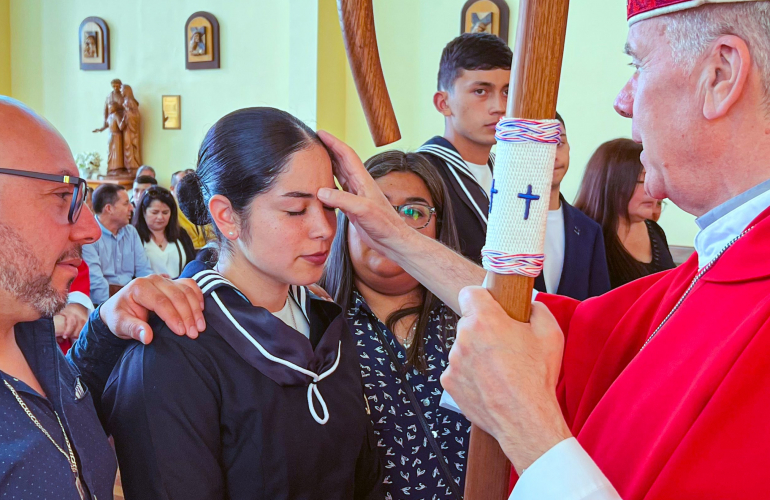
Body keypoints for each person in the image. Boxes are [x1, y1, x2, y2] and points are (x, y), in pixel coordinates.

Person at [314, 0, 770, 498]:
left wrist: (523, 422)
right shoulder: (721, 260)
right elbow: (552, 330)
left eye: (637, 64)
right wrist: (397, 237)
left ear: (721, 74)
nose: (623, 100)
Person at [102, 107, 383, 500]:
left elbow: (363, 476)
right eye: (296, 210)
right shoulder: (173, 352)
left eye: (329, 207)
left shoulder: (326, 321)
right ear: (226, 216)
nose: (324, 230)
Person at [0, 93, 206, 499]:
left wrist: (103, 326)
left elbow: (59, 418)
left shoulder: (30, 328)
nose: (90, 229)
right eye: (63, 196)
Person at [322, 151, 470, 499]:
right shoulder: (315, 323)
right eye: (378, 210)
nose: (393, 226)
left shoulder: (472, 320)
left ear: (439, 226)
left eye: (414, 212)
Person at [417, 33, 512, 264]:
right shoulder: (418, 175)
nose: (499, 107)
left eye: (507, 91)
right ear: (444, 103)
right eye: (481, 91)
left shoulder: (509, 173)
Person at [576, 138, 675, 288]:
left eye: (654, 178)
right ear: (613, 183)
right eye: (643, 179)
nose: (652, 190)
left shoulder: (654, 230)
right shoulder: (582, 236)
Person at [534, 113, 610, 300]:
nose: (552, 154)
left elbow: (597, 306)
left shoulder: (588, 230)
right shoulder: (498, 221)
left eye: (558, 143)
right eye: (539, 143)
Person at [83, 184, 153, 304]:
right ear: (109, 208)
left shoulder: (131, 232)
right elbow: (97, 286)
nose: (131, 208)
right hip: (101, 306)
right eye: (126, 204)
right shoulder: (88, 235)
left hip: (133, 300)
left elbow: (144, 272)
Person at [133, 185, 196, 278]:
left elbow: (192, 266)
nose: (160, 217)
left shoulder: (181, 234)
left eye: (165, 212)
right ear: (143, 211)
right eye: (154, 212)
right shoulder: (134, 236)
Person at [171, 168, 214, 248]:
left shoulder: (203, 204)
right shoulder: (171, 209)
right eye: (182, 182)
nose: (187, 187)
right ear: (172, 189)